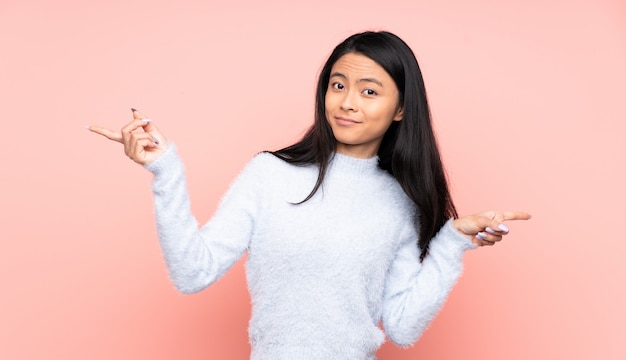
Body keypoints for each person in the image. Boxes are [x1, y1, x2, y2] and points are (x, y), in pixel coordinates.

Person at [89, 31, 530, 360]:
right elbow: (192, 273)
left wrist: (451, 244)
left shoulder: (401, 203)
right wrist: (166, 172)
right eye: (338, 85)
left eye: (369, 91)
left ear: (400, 109)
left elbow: (401, 328)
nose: (347, 102)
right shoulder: (270, 174)